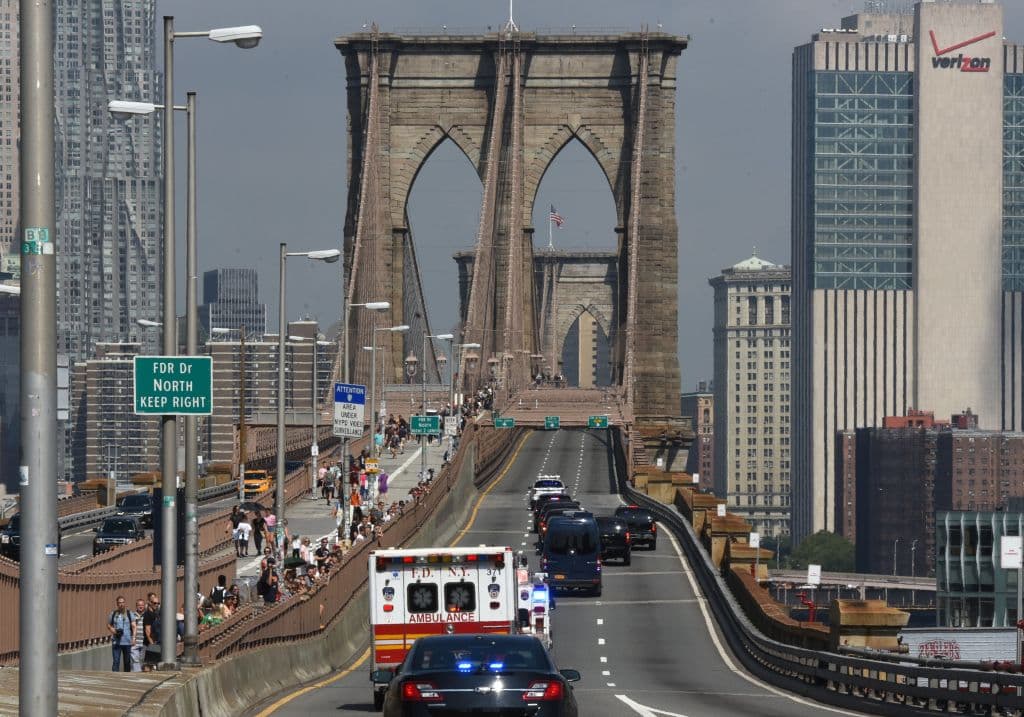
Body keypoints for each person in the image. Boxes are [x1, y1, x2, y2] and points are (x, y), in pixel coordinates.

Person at [107, 595, 133, 672]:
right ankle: (114, 676)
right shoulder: (113, 614)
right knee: (116, 662)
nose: (121, 604)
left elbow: (134, 626)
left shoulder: (129, 613)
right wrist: (112, 630)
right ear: (117, 604)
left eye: (122, 602)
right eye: (119, 603)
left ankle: (127, 676)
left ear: (125, 603)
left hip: (127, 642)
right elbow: (108, 625)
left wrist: (134, 638)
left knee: (127, 662)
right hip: (116, 641)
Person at [143, 592, 161, 670]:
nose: (156, 605)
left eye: (158, 603)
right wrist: (153, 645)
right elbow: (147, 631)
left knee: (154, 666)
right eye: (154, 603)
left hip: (155, 643)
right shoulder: (148, 614)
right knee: (148, 666)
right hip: (150, 644)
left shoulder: (156, 613)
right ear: (150, 603)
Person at [130, 598, 146, 672]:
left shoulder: (146, 615)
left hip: (143, 642)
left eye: (142, 605)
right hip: (135, 641)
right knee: (135, 660)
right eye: (139, 605)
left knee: (141, 660)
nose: (141, 606)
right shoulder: (132, 615)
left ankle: (138, 672)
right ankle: (137, 674)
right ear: (136, 606)